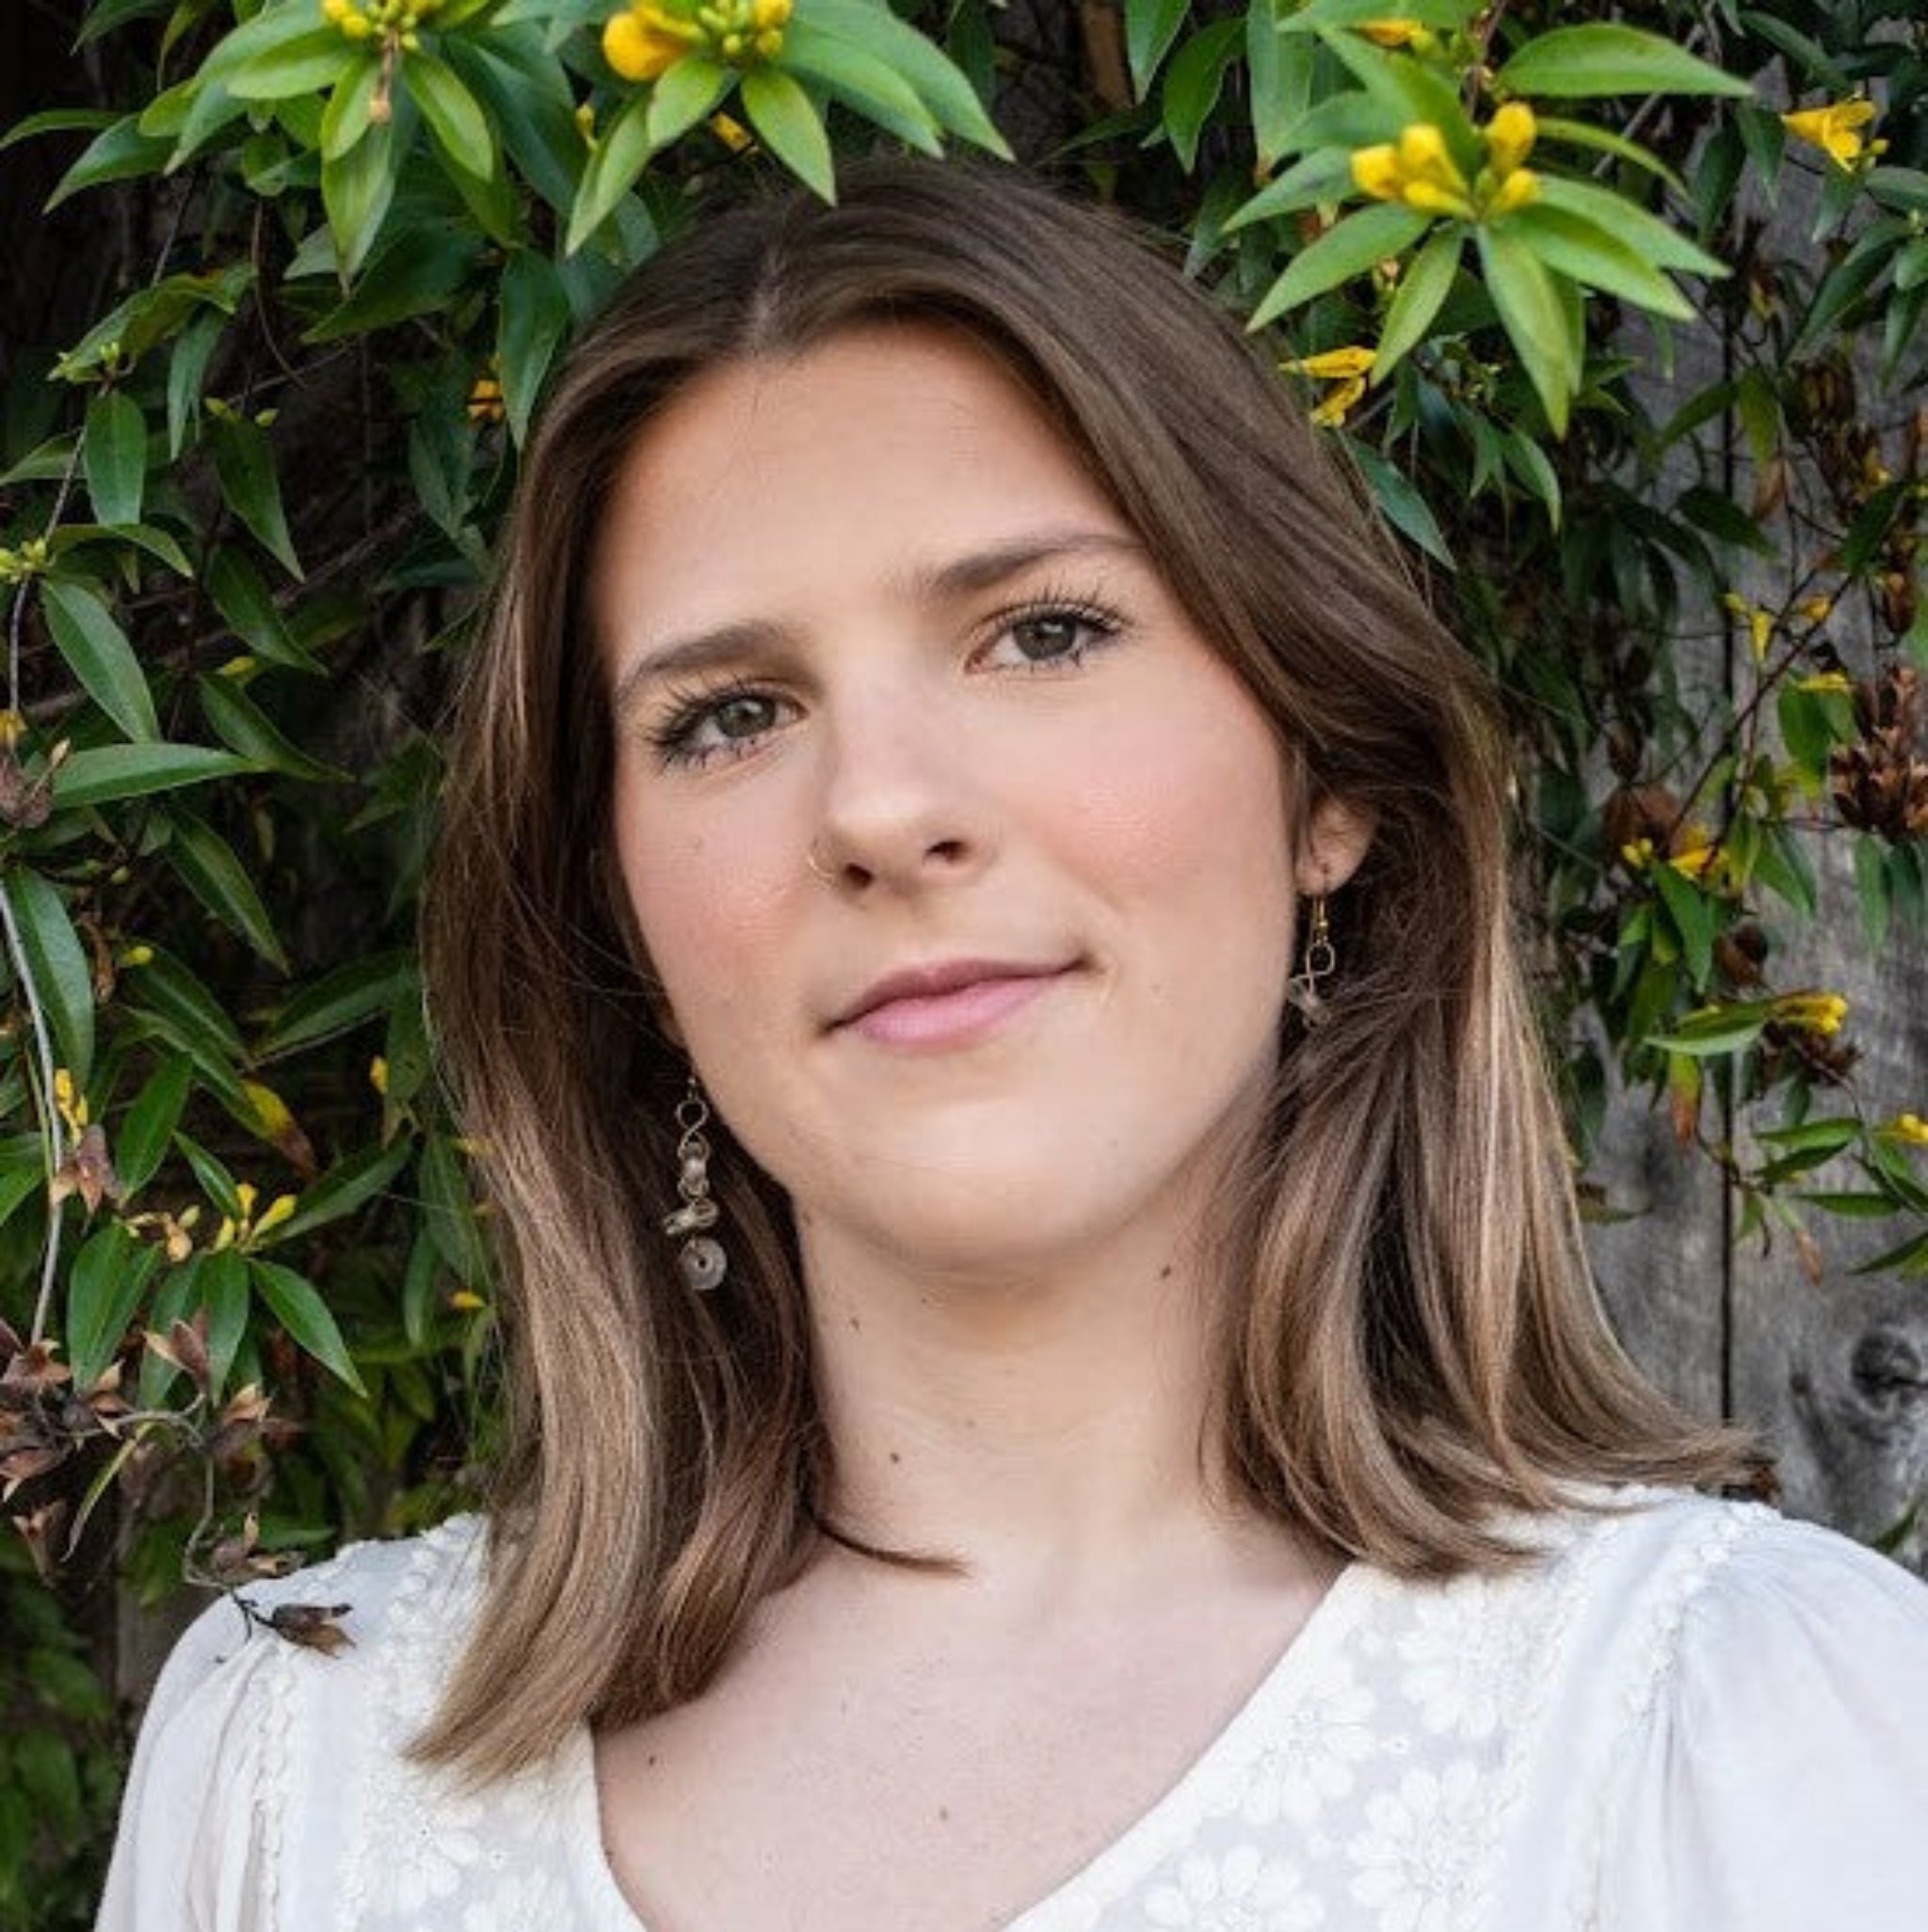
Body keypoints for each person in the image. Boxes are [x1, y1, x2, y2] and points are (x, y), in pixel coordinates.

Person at [98, 157, 1928, 1932]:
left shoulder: (1747, 1742)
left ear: (1326, 780)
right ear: (624, 916)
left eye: (1042, 634)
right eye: (729, 716)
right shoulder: (299, 1775)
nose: (882, 808)